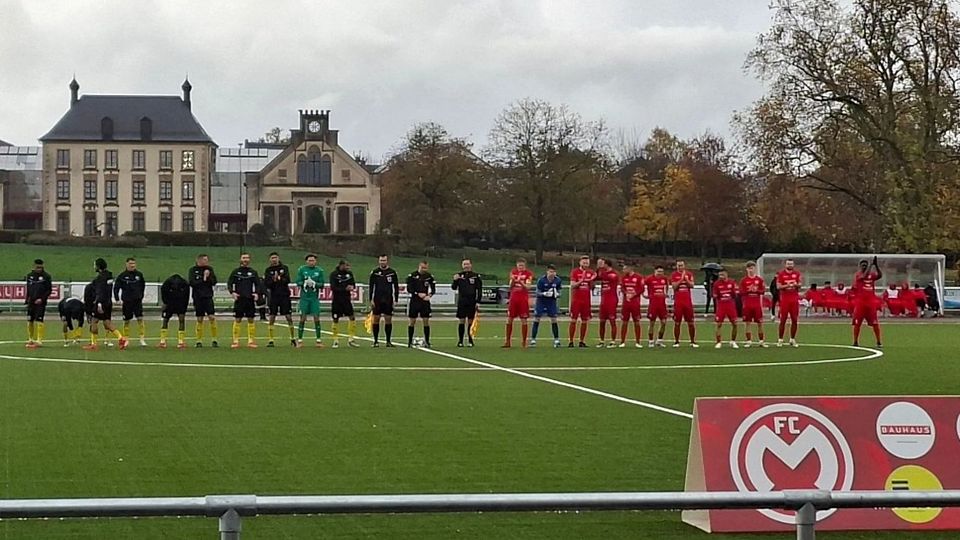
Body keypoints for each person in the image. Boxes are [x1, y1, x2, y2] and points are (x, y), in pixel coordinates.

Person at [83, 258, 128, 351]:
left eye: (95, 265)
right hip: (108, 302)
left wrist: (99, 303)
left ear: (98, 267)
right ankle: (121, 338)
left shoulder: (100, 278)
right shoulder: (109, 276)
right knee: (107, 322)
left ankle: (94, 344)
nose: (94, 267)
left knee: (94, 321)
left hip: (101, 302)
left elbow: (100, 291)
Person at [227, 253, 262, 349]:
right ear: (240, 259)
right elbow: (230, 283)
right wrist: (232, 292)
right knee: (238, 319)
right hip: (239, 299)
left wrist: (256, 293)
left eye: (247, 258)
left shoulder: (253, 272)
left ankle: (251, 341)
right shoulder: (235, 272)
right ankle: (235, 341)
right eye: (244, 258)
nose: (245, 259)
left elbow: (258, 284)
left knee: (251, 319)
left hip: (249, 299)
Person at [263, 252, 297, 348]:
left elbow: (287, 280)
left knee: (288, 317)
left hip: (284, 296)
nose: (274, 259)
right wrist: (273, 280)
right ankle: (271, 340)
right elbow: (267, 284)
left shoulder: (284, 268)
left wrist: (279, 279)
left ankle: (292, 338)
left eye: (275, 257)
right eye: (272, 258)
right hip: (274, 296)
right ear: (270, 259)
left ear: (278, 258)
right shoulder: (268, 270)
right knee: (272, 317)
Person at [114, 257, 147, 347]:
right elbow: (116, 287)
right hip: (127, 301)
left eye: (134, 263)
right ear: (127, 264)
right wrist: (117, 298)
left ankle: (142, 339)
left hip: (137, 301)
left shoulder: (139, 275)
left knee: (140, 318)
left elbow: (143, 286)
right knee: (126, 321)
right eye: (130, 264)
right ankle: (126, 339)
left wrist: (141, 295)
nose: (132, 265)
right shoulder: (122, 276)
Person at [369, 255, 400, 347]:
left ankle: (388, 341)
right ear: (379, 261)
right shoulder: (375, 272)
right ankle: (375, 341)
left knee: (388, 320)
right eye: (381, 260)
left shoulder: (392, 272)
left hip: (388, 299)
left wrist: (396, 299)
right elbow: (371, 286)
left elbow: (396, 286)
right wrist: (371, 299)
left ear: (387, 261)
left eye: (384, 260)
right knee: (376, 319)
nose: (383, 262)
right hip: (377, 299)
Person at [188, 254, 219, 348]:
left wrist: (208, 277)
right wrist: (203, 278)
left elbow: (214, 282)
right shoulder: (193, 270)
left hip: (208, 296)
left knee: (212, 317)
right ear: (199, 260)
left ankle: (214, 339)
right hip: (198, 297)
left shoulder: (209, 269)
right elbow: (192, 283)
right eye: (205, 260)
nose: (207, 261)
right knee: (199, 318)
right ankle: (199, 340)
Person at [295, 254, 325, 347]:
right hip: (304, 298)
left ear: (316, 261)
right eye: (309, 260)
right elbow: (298, 282)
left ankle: (318, 340)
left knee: (316, 317)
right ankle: (300, 340)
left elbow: (322, 284)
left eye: (313, 260)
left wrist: (315, 284)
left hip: (314, 299)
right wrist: (304, 282)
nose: (311, 262)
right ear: (306, 261)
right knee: (302, 318)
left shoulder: (319, 271)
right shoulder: (302, 270)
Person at [503, 258, 534, 348]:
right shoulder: (513, 272)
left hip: (523, 299)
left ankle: (524, 342)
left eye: (522, 265)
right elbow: (510, 286)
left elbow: (528, 287)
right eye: (519, 265)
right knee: (509, 319)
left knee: (524, 320)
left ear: (525, 266)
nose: (520, 267)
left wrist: (520, 282)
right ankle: (507, 341)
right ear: (517, 265)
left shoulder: (528, 274)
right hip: (513, 298)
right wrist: (513, 280)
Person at [852, 257, 882, 348]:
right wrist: (870, 266)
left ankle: (878, 341)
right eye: (863, 265)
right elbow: (864, 277)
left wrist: (876, 265)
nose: (864, 266)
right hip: (861, 303)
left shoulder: (871, 275)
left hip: (870, 303)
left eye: (866, 264)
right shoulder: (858, 275)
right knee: (857, 323)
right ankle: (855, 341)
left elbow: (880, 275)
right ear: (860, 266)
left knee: (875, 323)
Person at [452, 259, 483, 348]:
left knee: (470, 321)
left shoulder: (476, 276)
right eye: (464, 264)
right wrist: (455, 280)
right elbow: (453, 287)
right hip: (462, 301)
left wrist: (478, 301)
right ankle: (460, 341)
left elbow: (479, 289)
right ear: (462, 266)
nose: (466, 266)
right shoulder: (459, 275)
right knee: (461, 320)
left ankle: (470, 340)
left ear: (471, 265)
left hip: (472, 301)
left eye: (467, 264)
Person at [330, 259, 360, 348]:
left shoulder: (349, 274)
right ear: (341, 265)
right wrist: (344, 289)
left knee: (352, 317)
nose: (348, 267)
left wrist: (352, 287)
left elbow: (353, 284)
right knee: (335, 319)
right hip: (337, 300)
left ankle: (351, 339)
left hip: (347, 300)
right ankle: (335, 340)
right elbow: (333, 287)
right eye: (346, 265)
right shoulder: (334, 274)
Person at [531, 265, 562, 348]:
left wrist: (557, 294)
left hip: (551, 301)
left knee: (554, 319)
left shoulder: (558, 280)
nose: (552, 273)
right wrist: (544, 293)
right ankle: (533, 340)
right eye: (550, 272)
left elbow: (559, 292)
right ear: (547, 272)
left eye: (554, 272)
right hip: (541, 301)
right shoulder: (541, 280)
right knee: (537, 318)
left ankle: (556, 340)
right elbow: (537, 292)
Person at [568, 255, 596, 348]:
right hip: (576, 300)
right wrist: (581, 280)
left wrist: (592, 282)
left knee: (585, 321)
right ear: (580, 263)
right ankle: (571, 341)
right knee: (573, 320)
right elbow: (572, 285)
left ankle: (582, 341)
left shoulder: (591, 272)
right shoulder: (575, 272)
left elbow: (592, 287)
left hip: (586, 300)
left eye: (587, 263)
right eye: (584, 262)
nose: (585, 264)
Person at [406, 261, 436, 348]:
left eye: (425, 268)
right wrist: (417, 293)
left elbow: (433, 289)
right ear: (419, 266)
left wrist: (429, 295)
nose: (424, 269)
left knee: (426, 320)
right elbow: (409, 288)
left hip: (424, 302)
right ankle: (410, 341)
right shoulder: (412, 276)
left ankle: (427, 341)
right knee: (412, 321)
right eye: (422, 267)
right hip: (415, 301)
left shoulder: (429, 277)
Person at [25, 258, 53, 348]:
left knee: (39, 319)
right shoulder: (29, 276)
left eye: (40, 267)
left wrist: (42, 299)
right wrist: (27, 299)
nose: (39, 269)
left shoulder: (46, 276)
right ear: (34, 266)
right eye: (37, 267)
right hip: (31, 301)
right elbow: (28, 289)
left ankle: (39, 340)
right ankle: (30, 339)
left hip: (41, 302)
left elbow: (49, 290)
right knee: (30, 320)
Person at [739, 261, 768, 347]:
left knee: (760, 323)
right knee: (747, 323)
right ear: (746, 269)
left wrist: (756, 290)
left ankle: (761, 341)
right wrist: (749, 290)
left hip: (757, 305)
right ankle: (748, 341)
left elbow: (763, 291)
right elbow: (741, 292)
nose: (750, 270)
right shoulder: (744, 280)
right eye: (749, 268)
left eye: (752, 268)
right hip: (747, 304)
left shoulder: (759, 280)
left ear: (755, 269)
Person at [157, 274, 190, 349]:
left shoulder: (168, 283)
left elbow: (163, 291)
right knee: (180, 320)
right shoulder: (183, 283)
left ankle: (163, 341)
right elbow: (186, 296)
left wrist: (165, 303)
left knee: (166, 320)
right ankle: (180, 342)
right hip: (176, 303)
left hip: (173, 303)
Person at [775, 258, 802, 347]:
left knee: (794, 319)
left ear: (793, 265)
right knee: (783, 319)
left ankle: (792, 339)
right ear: (785, 265)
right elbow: (778, 286)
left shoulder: (797, 274)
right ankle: (780, 339)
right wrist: (787, 285)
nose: (790, 265)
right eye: (788, 264)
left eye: (791, 264)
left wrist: (795, 285)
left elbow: (800, 284)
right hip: (785, 300)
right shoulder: (781, 274)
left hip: (794, 299)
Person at [671, 260, 698, 348]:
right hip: (678, 302)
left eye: (681, 265)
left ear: (684, 266)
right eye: (678, 265)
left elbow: (692, 285)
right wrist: (681, 279)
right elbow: (674, 287)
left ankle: (692, 341)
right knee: (677, 322)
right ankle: (676, 342)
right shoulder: (674, 275)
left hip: (687, 302)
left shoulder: (689, 274)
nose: (680, 267)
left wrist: (686, 279)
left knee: (691, 322)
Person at [711, 268, 739, 348]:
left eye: (722, 275)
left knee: (735, 323)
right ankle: (718, 342)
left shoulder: (731, 282)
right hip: (721, 306)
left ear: (726, 274)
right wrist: (717, 295)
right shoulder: (716, 284)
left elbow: (734, 294)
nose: (721, 276)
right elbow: (714, 295)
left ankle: (733, 341)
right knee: (719, 324)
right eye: (719, 275)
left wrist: (731, 295)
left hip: (730, 305)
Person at [596, 257, 620, 348]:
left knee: (612, 321)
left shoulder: (613, 274)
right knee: (602, 321)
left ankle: (613, 341)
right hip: (604, 300)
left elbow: (607, 277)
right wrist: (598, 268)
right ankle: (601, 341)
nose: (601, 265)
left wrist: (599, 269)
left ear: (606, 264)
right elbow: (595, 277)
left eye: (602, 263)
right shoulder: (603, 273)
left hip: (612, 300)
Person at [619, 263, 643, 348]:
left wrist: (634, 295)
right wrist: (626, 293)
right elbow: (622, 288)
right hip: (626, 303)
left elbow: (641, 289)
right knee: (624, 322)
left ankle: (638, 342)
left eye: (625, 269)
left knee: (637, 322)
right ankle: (622, 341)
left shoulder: (638, 277)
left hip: (635, 303)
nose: (623, 271)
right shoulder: (623, 277)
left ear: (630, 268)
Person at [645, 265, 669, 347]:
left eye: (661, 272)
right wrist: (644, 295)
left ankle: (659, 340)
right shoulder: (649, 279)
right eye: (658, 271)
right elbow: (641, 285)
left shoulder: (664, 279)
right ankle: (651, 341)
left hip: (662, 304)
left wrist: (665, 293)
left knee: (664, 322)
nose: (660, 273)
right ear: (655, 271)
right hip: (653, 304)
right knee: (652, 323)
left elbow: (667, 286)